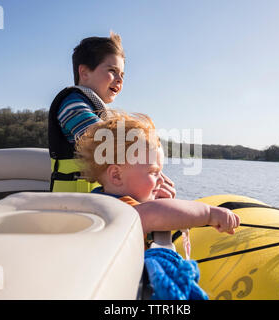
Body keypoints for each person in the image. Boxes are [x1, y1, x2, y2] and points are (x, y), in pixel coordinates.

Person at [75, 111, 240, 249]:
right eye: (153, 172)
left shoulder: (101, 197)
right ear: (117, 175)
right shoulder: (121, 209)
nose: (162, 180)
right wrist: (209, 214)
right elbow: (154, 213)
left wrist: (155, 197)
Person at [48, 31, 176, 198]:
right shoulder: (71, 103)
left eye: (122, 75)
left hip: (94, 202)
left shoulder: (98, 110)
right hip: (69, 206)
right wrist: (147, 171)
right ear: (85, 73)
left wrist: (153, 177)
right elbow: (102, 139)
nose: (120, 79)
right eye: (112, 71)